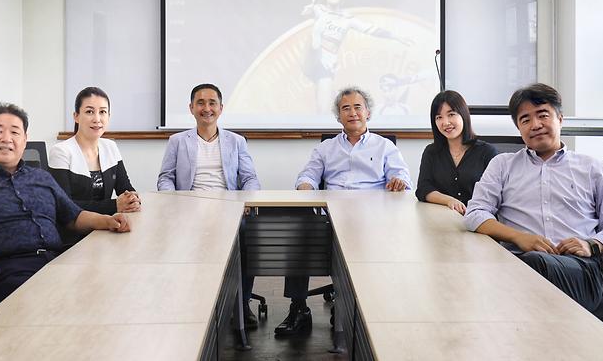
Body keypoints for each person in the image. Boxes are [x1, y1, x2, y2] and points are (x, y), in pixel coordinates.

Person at [0, 103, 131, 312]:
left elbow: (73, 216)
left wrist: (107, 220)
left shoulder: (41, 178)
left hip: (55, 265)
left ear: (24, 140)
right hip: (4, 275)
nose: (6, 138)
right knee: (61, 303)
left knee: (108, 287)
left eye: (15, 132)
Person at [464, 83, 603, 312]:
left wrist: (591, 245)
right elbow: (475, 214)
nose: (535, 125)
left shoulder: (591, 167)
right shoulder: (502, 165)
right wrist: (519, 237)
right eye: (525, 120)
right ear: (519, 128)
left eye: (543, 115)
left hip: (579, 270)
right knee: (526, 267)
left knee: (530, 267)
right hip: (518, 263)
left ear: (560, 118)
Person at [280, 86, 411, 336]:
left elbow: (402, 176)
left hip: (372, 219)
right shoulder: (326, 148)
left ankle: (362, 308)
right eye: (345, 108)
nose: (352, 113)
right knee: (298, 230)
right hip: (331, 215)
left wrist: (398, 181)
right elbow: (307, 174)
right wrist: (306, 185)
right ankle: (298, 308)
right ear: (338, 116)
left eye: (357, 107)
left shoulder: (385, 147)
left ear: (368, 113)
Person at [157, 83, 260, 329]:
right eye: (200, 103)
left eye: (212, 103)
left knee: (249, 240)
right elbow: (165, 178)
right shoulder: (178, 141)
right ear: (191, 108)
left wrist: (246, 199)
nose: (207, 108)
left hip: (229, 209)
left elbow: (250, 178)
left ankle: (242, 304)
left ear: (221, 108)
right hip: (189, 210)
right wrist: (174, 201)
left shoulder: (236, 141)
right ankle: (193, 303)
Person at [302, 0, 412, 113]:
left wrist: (395, 36)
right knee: (324, 105)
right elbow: (307, 11)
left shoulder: (347, 18)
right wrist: (308, 11)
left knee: (326, 102)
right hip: (317, 61)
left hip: (329, 64)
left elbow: (371, 29)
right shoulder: (318, 9)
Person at [49, 87, 141, 215]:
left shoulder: (111, 147)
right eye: (89, 112)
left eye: (102, 112)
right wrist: (114, 205)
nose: (97, 119)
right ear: (76, 116)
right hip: (76, 232)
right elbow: (64, 206)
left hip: (107, 226)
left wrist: (132, 199)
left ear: (108, 116)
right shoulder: (61, 152)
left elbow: (124, 188)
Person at [415, 90, 497, 214]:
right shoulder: (431, 152)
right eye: (439, 117)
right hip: (441, 219)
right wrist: (449, 200)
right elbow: (423, 188)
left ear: (463, 115)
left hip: (480, 222)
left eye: (451, 114)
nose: (445, 122)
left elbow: (496, 196)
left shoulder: (486, 152)